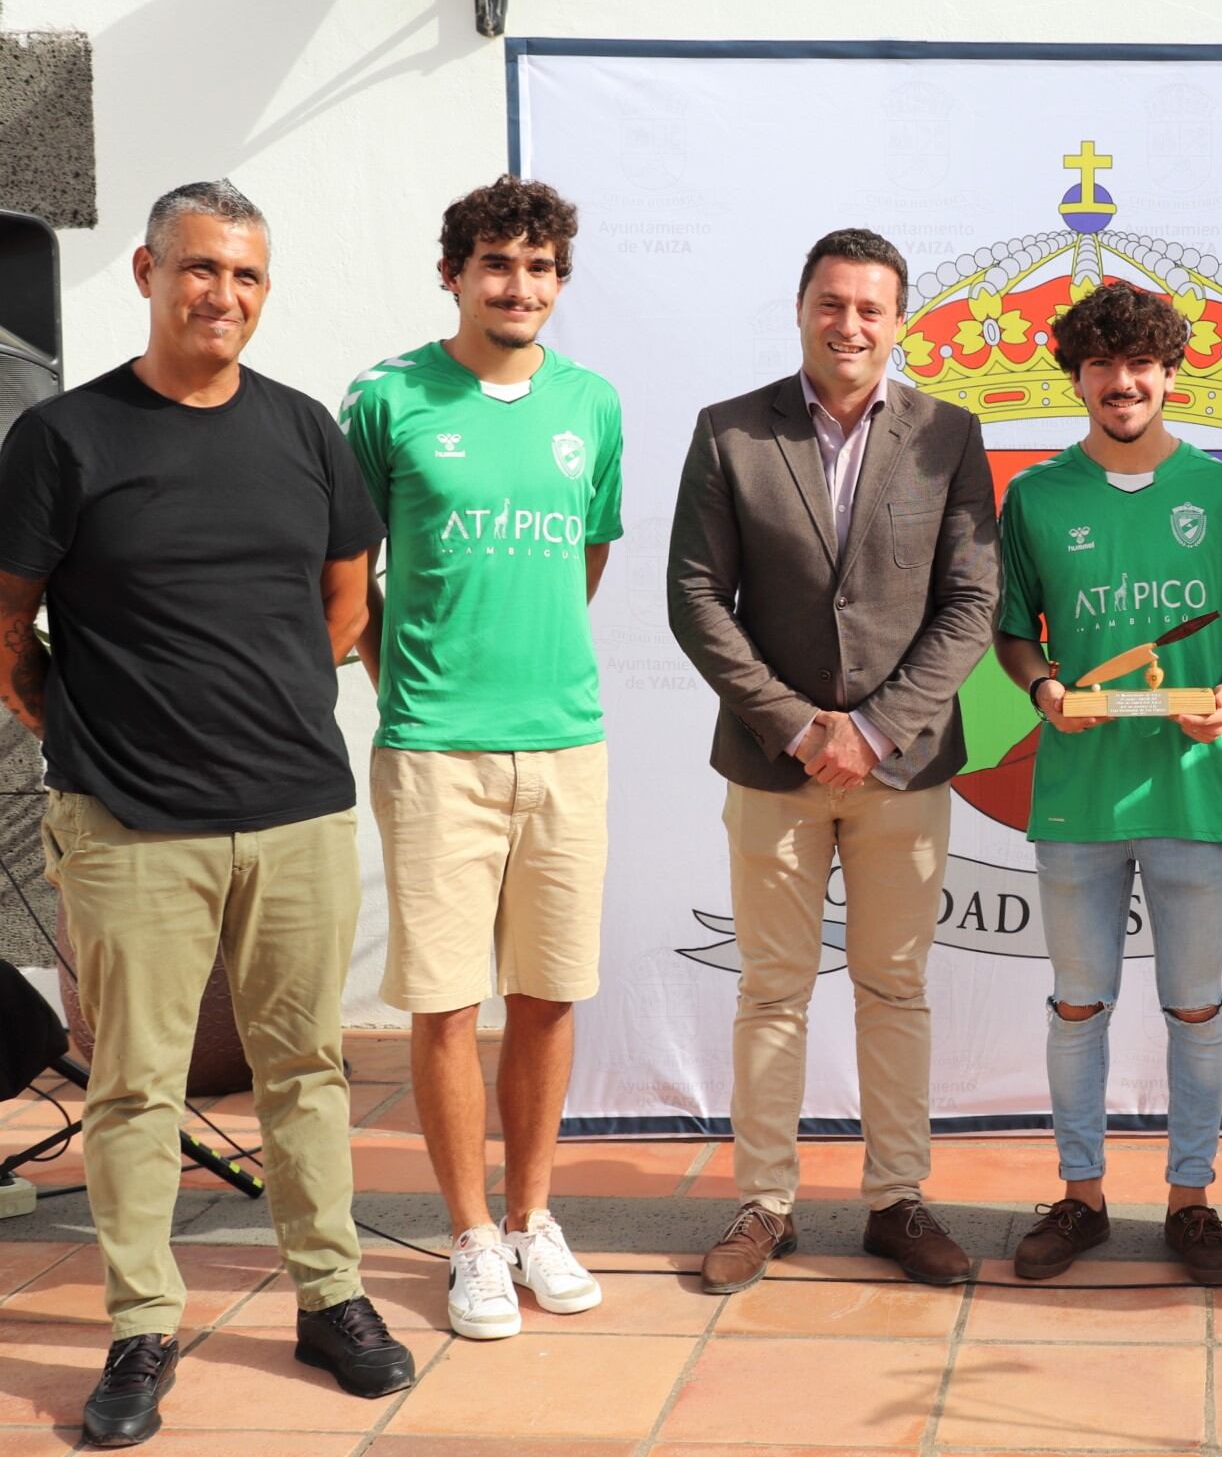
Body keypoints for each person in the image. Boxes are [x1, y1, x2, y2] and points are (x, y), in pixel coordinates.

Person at [0, 181, 413, 1447]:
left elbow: (348, 608)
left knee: (307, 1069)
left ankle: (329, 1295)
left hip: (293, 813)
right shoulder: (64, 438)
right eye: (198, 269)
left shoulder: (303, 432)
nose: (219, 295)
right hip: (129, 825)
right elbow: (6, 632)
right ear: (144, 270)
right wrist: (86, 731)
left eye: (243, 275)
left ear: (262, 291)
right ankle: (140, 1326)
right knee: (134, 1086)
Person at [667, 227, 1000, 1293]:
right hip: (775, 766)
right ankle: (765, 1202)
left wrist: (875, 727)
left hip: (902, 769)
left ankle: (895, 1200)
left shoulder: (949, 434)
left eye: (870, 307)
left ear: (898, 321)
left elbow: (970, 603)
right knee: (771, 990)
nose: (848, 324)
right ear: (801, 307)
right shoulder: (729, 433)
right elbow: (694, 599)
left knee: (893, 988)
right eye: (831, 303)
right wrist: (803, 725)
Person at [340, 176, 622, 1341]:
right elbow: (345, 578)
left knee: (549, 994)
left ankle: (532, 1216)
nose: (521, 287)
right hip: (435, 751)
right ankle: (467, 1239)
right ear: (452, 272)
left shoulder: (591, 402)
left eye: (541, 267)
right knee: (447, 1002)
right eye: (498, 264)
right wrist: (411, 681)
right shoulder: (388, 398)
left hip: (566, 744)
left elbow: (587, 560)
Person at [992, 283, 1222, 1286]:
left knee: (1194, 1007)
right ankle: (1080, 1196)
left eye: (1140, 364)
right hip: (1076, 793)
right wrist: (1042, 687)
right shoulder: (1034, 496)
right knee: (1077, 1005)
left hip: (1190, 792)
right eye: (1102, 366)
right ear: (1075, 376)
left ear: (1169, 371)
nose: (1122, 383)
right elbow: (1010, 631)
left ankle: (1191, 1202)